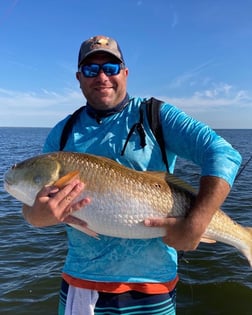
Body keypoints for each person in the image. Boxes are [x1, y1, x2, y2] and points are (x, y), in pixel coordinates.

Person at [22, 35, 242, 315]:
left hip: (153, 288)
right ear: (79, 78)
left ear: (125, 73)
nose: (102, 77)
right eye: (91, 69)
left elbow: (224, 154)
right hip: (82, 285)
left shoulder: (156, 115)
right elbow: (32, 213)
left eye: (111, 68)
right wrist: (40, 216)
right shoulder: (62, 133)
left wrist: (196, 223)